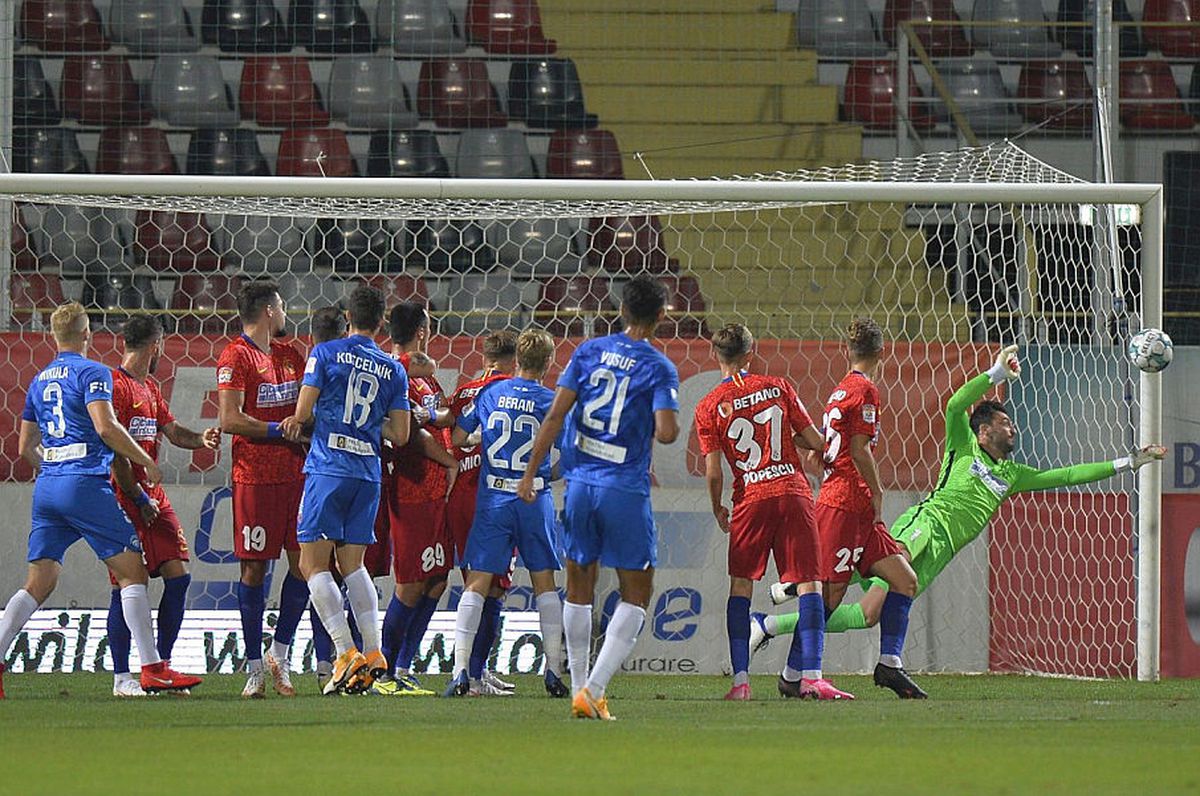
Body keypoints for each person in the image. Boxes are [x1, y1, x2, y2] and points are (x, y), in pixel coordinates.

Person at [755, 344, 1166, 698]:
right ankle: (802, 589)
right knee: (888, 563)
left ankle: (773, 622)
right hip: (926, 524)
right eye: (1004, 422)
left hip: (943, 551)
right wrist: (997, 373)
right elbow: (954, 405)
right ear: (983, 430)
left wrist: (1130, 462)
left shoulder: (1012, 476)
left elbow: (1069, 475)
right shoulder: (963, 447)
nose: (1012, 427)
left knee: (868, 612)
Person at [0, 302, 201, 698]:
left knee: (39, 582)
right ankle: (153, 669)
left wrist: (54, 465)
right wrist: (146, 460)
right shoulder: (93, 372)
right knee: (133, 573)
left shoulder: (39, 380)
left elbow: (25, 447)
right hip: (84, 484)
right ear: (87, 333)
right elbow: (107, 427)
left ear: (55, 336)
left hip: (48, 488)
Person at [518, 274, 680, 721]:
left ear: (622, 311)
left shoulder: (586, 352)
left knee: (579, 586)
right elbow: (666, 432)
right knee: (637, 591)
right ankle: (594, 689)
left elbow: (555, 414)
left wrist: (531, 474)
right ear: (661, 316)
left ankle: (578, 686)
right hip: (623, 488)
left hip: (580, 486)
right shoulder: (658, 367)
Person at [747, 318, 918, 687]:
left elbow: (831, 441)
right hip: (845, 503)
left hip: (855, 509)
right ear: (882, 352)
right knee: (829, 596)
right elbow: (858, 449)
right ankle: (793, 675)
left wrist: (816, 453)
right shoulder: (866, 391)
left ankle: (889, 663)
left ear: (848, 351)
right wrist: (877, 490)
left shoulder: (839, 391)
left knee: (904, 579)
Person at [695, 323, 853, 701]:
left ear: (717, 356)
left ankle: (741, 683)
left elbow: (714, 470)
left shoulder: (707, 406)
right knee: (810, 583)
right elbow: (815, 440)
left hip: (750, 499)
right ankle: (813, 677)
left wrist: (717, 506)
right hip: (793, 493)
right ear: (751, 353)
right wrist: (811, 448)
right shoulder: (778, 386)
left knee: (741, 586)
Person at [280, 286, 411, 695]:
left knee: (312, 566)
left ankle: (344, 653)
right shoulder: (393, 368)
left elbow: (302, 414)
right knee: (353, 565)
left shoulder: (326, 353)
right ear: (382, 322)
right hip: (367, 473)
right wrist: (369, 426)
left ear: (347, 317)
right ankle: (374, 652)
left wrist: (311, 421)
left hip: (328, 467)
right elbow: (402, 434)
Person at [445, 328, 568, 699]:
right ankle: (553, 671)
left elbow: (458, 437)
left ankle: (460, 670)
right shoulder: (552, 401)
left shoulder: (491, 392)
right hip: (534, 499)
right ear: (548, 364)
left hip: (494, 501)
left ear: (517, 361)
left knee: (477, 584)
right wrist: (548, 475)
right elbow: (574, 454)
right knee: (544, 583)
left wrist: (484, 440)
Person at [104, 315, 222, 697]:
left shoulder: (150, 388)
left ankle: (161, 668)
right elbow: (115, 454)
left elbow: (172, 431)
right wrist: (138, 498)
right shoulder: (115, 387)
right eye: (162, 346)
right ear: (155, 345)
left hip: (152, 496)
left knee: (179, 576)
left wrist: (201, 438)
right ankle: (122, 676)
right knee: (125, 584)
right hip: (124, 496)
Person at [216, 280, 309, 698]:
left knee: (305, 565)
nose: (287, 312)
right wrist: (280, 429)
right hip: (254, 477)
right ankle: (253, 667)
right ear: (270, 310)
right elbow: (230, 420)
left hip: (297, 474)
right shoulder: (235, 356)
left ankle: (280, 655)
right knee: (254, 570)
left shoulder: (293, 355)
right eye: (283, 305)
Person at [375, 302, 459, 696]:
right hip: (411, 489)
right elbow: (408, 433)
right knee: (410, 583)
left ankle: (404, 665)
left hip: (436, 489)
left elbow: (436, 417)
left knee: (437, 579)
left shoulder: (425, 378)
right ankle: (385, 671)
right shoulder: (396, 372)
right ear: (423, 330)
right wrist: (447, 459)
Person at [444, 331, 518, 695]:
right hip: (494, 496)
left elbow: (454, 437)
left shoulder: (463, 393)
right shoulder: (515, 391)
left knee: (475, 584)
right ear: (513, 360)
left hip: (460, 496)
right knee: (494, 590)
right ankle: (473, 675)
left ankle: (474, 671)